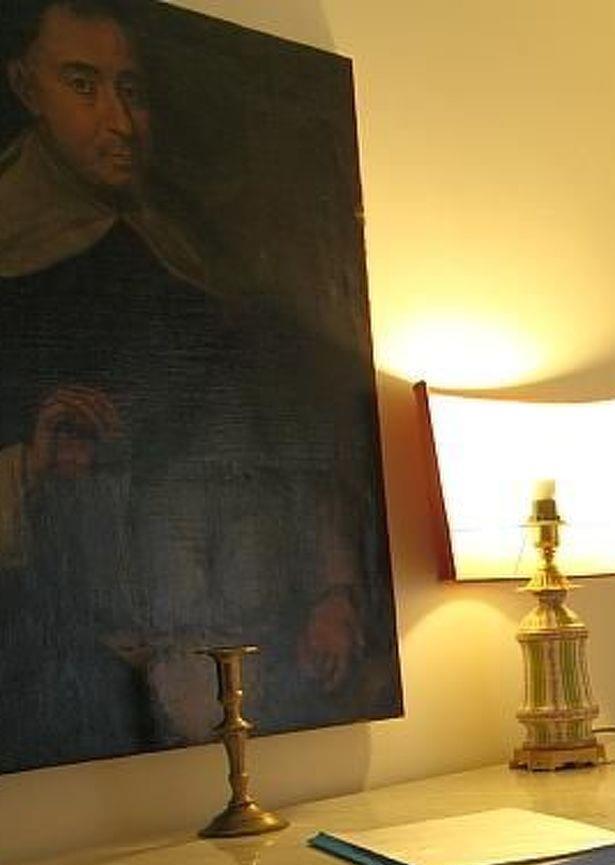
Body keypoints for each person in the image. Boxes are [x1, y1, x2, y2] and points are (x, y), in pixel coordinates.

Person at [0, 0, 377, 771]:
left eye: (131, 91)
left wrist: (333, 592)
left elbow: (287, 429)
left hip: (235, 626)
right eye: (83, 85)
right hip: (71, 668)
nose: (120, 122)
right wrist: (29, 466)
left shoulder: (177, 249)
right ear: (25, 87)